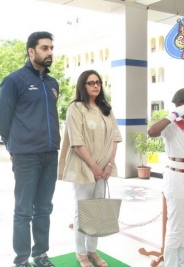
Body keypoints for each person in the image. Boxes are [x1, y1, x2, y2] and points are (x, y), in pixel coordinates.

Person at [0, 31, 60, 267]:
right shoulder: (14, 80)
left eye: (51, 48)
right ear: (31, 51)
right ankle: (21, 260)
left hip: (50, 154)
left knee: (44, 208)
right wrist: (12, 148)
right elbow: (4, 118)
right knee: (23, 211)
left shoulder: (52, 83)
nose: (50, 52)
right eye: (44, 48)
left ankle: (40, 254)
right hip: (25, 156)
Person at [58, 70, 122, 267]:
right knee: (83, 210)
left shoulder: (106, 108)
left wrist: (109, 164)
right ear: (82, 86)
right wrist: (94, 167)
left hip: (104, 168)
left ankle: (92, 250)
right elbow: (77, 142)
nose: (95, 86)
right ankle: (80, 253)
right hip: (84, 166)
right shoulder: (76, 108)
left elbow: (115, 137)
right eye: (90, 83)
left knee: (97, 210)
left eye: (98, 82)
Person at [148, 86, 184, 267]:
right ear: (180, 104)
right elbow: (151, 132)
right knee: (176, 226)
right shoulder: (171, 123)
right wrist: (174, 114)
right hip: (177, 176)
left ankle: (180, 263)